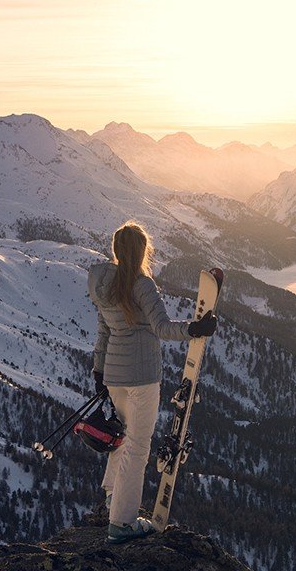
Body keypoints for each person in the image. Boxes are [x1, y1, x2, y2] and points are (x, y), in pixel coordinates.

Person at [88, 220, 217, 544]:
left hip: (114, 374)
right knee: (137, 446)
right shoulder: (141, 284)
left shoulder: (103, 283)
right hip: (142, 376)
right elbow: (161, 327)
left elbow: (104, 331)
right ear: (143, 251)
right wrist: (194, 329)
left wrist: (98, 370)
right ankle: (122, 523)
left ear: (117, 250)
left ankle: (111, 496)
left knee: (121, 437)